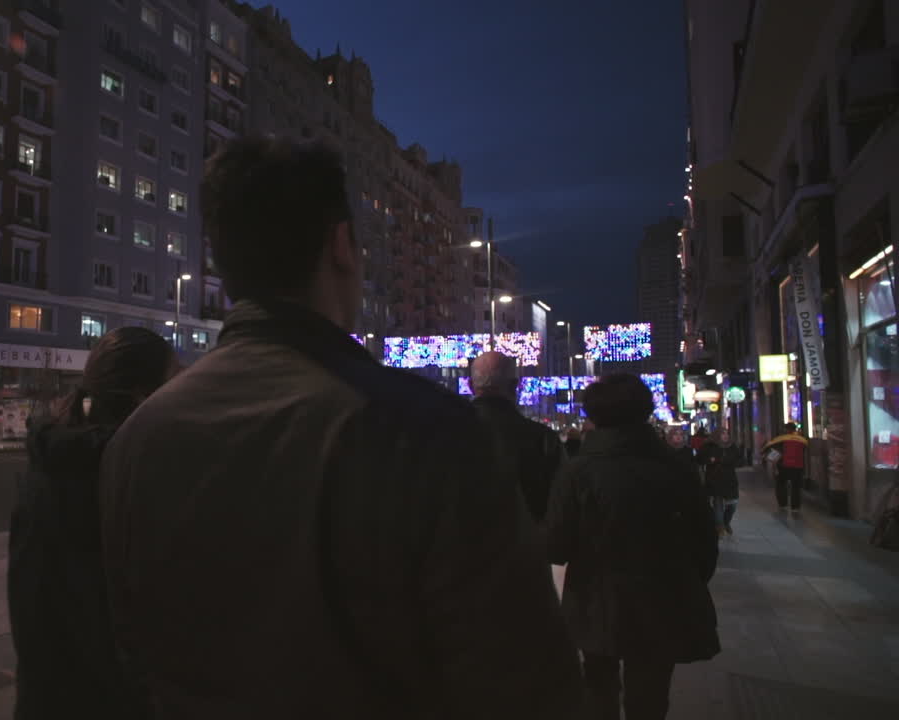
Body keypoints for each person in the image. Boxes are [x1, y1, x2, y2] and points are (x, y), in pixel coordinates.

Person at [99, 136, 583, 718]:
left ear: (223, 264)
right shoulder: (431, 432)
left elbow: (132, 657)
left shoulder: (137, 437)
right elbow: (526, 684)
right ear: (342, 246)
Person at [10, 327, 177, 720]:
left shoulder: (54, 460)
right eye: (174, 380)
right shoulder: (126, 471)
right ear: (143, 394)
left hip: (45, 694)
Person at [547, 374, 720, 720]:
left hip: (597, 598)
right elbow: (704, 540)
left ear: (593, 416)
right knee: (651, 694)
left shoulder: (578, 471)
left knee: (599, 688)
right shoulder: (676, 466)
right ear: (645, 411)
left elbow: (557, 545)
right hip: (664, 595)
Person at [469, 351, 566, 522]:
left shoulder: (442, 437)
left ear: (470, 386)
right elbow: (560, 504)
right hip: (528, 541)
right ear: (515, 385)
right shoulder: (543, 439)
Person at [701, 430, 742, 536]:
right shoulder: (709, 446)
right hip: (715, 480)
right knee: (718, 505)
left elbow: (740, 460)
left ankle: (726, 522)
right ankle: (720, 527)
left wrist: (731, 461)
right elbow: (700, 459)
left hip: (730, 480)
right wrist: (710, 460)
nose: (725, 436)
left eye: (727, 434)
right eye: (723, 434)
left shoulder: (732, 446)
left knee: (732, 504)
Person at [762, 422, 809, 511]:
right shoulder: (802, 440)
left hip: (783, 466)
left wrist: (767, 457)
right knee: (796, 487)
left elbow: (768, 448)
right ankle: (795, 506)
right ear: (795, 429)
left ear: (785, 429)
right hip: (798, 466)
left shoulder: (780, 439)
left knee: (780, 484)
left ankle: (783, 503)